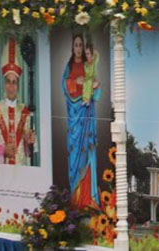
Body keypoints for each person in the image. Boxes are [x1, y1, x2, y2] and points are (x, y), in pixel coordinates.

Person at [62, 33, 100, 208]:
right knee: (75, 154)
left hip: (86, 115)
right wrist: (75, 82)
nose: (78, 48)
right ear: (72, 47)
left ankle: (88, 199)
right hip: (74, 118)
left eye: (80, 45)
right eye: (75, 45)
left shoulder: (88, 66)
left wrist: (95, 86)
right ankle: (76, 199)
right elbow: (64, 86)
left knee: (88, 152)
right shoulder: (69, 67)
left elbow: (96, 92)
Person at [0, 39, 36, 166]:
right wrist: (2, 149)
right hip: (1, 166)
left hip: (20, 166)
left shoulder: (24, 111)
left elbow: (28, 145)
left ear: (18, 85)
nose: (11, 87)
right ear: (4, 84)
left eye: (14, 82)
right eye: (8, 82)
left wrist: (29, 140)